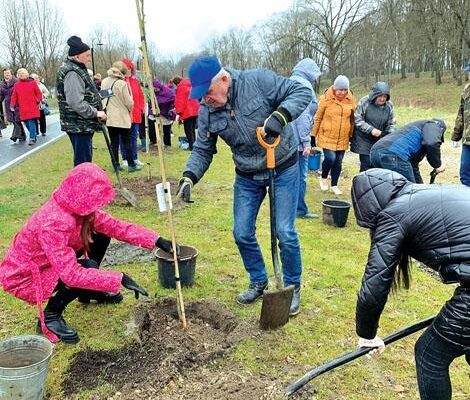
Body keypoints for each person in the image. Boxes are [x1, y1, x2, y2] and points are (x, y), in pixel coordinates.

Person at [176, 55, 312, 316]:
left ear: (224, 79)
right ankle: (258, 279)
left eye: (209, 93)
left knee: (284, 231)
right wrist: (189, 176)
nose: (206, 100)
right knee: (241, 231)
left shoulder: (258, 81)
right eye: (201, 96)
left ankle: (292, 287)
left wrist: (281, 116)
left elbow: (301, 91)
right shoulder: (207, 110)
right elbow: (203, 149)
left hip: (282, 165)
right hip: (247, 174)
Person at [0, 163, 179, 344]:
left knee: (101, 234)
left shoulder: (76, 207)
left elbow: (115, 226)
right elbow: (71, 274)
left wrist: (157, 240)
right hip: (25, 277)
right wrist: (119, 279)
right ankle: (51, 315)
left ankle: (89, 291)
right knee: (86, 268)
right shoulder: (54, 223)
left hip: (47, 262)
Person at [351, 168, 470, 400]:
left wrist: (366, 335)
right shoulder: (426, 192)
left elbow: (374, 285)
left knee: (429, 355)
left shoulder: (393, 214)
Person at [56, 35, 107, 166]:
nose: (89, 59)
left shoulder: (77, 68)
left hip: (81, 124)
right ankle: (81, 186)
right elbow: (75, 102)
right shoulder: (72, 72)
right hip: (78, 124)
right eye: (87, 56)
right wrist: (96, 113)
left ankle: (84, 185)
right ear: (77, 56)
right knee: (83, 164)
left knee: (84, 162)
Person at [312, 75, 356, 195]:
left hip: (343, 136)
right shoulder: (325, 99)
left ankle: (334, 185)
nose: (342, 92)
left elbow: (352, 120)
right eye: (340, 89)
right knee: (330, 158)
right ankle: (324, 177)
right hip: (327, 135)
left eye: (345, 90)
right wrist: (313, 135)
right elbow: (318, 118)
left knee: (338, 161)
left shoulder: (350, 99)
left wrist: (352, 135)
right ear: (335, 88)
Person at [289, 58, 321, 219]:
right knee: (299, 176)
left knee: (287, 176)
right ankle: (299, 209)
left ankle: (287, 208)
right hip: (298, 143)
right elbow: (302, 116)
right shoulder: (304, 87)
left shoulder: (289, 82)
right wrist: (306, 142)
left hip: (285, 141)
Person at [370, 119, 446, 183]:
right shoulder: (433, 125)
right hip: (393, 154)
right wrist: (437, 165)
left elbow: (413, 166)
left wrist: (420, 187)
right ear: (441, 130)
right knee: (410, 193)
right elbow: (431, 143)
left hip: (375, 153)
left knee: (389, 189)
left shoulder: (413, 132)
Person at [101, 61, 141, 173]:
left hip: (110, 116)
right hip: (122, 116)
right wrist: (130, 109)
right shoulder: (122, 84)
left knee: (114, 142)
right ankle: (131, 164)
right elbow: (128, 102)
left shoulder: (104, 82)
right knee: (126, 141)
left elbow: (103, 98)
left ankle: (115, 164)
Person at [351, 82, 396, 172]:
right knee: (366, 164)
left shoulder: (389, 105)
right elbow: (357, 119)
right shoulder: (364, 102)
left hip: (380, 139)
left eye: (385, 96)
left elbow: (392, 123)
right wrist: (371, 130)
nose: (382, 99)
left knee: (380, 165)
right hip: (364, 140)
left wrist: (389, 136)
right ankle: (363, 184)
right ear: (375, 95)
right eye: (380, 96)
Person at [120, 58, 145, 168]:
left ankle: (135, 157)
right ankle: (125, 158)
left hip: (135, 114)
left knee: (134, 137)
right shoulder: (120, 82)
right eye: (127, 69)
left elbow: (140, 96)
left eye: (130, 69)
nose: (129, 71)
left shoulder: (135, 82)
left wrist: (141, 108)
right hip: (124, 115)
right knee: (124, 137)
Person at [10, 68, 42, 145]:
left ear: (27, 74)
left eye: (23, 73)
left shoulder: (32, 82)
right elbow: (14, 96)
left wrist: (38, 100)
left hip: (32, 106)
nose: (21, 74)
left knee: (31, 121)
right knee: (26, 122)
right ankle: (33, 134)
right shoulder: (17, 85)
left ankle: (31, 138)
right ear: (18, 75)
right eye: (20, 73)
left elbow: (39, 93)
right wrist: (12, 105)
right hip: (23, 107)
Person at [451, 62, 470, 186]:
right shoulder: (467, 89)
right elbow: (461, 113)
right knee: (465, 173)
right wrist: (456, 136)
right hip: (467, 141)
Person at [173, 75, 200, 151]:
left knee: (188, 130)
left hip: (187, 111)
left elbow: (180, 101)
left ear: (176, 83)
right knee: (192, 129)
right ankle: (194, 145)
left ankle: (192, 146)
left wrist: (178, 112)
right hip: (195, 110)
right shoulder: (190, 84)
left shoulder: (180, 87)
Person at [0, 68, 26, 142]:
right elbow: (1, 95)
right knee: (14, 121)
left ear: (11, 74)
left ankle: (14, 136)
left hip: (17, 103)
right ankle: (22, 136)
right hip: (8, 104)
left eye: (8, 73)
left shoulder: (16, 81)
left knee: (17, 119)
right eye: (5, 73)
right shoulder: (2, 84)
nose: (7, 74)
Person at [152, 79, 176, 147]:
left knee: (166, 129)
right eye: (154, 89)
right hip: (158, 113)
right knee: (158, 129)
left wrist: (171, 108)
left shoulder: (167, 91)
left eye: (156, 88)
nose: (155, 90)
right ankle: (158, 143)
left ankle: (167, 144)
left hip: (167, 112)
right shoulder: (153, 93)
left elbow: (172, 100)